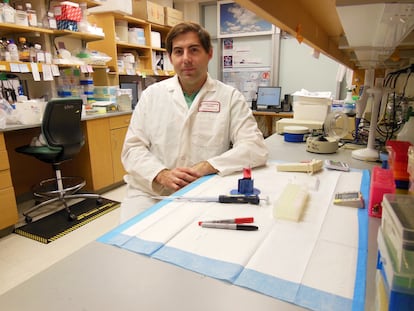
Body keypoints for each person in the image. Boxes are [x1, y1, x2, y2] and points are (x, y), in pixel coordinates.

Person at [120, 22, 268, 222]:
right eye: (178, 52)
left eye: (194, 50)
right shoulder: (152, 95)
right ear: (171, 58)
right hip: (150, 193)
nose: (186, 59)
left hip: (202, 192)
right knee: (131, 243)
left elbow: (255, 148)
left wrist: (208, 165)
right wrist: (161, 173)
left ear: (209, 53)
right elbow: (132, 149)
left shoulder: (229, 97)